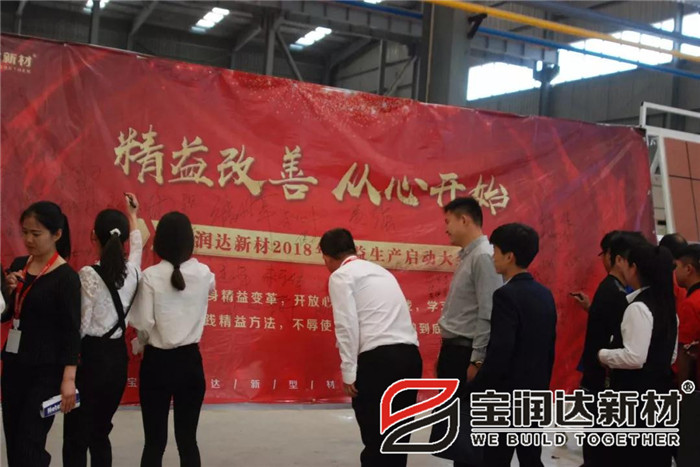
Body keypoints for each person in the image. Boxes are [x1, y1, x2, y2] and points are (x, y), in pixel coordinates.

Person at [321, 228, 422, 467]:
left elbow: (346, 325)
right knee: (397, 438)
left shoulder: (341, 275)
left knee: (376, 440)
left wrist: (349, 372)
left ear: (326, 256)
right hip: (410, 358)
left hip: (379, 362)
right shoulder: (381, 272)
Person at [129, 211, 215, 467]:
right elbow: (210, 288)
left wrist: (139, 343)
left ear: (159, 242)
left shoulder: (150, 276)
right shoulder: (204, 273)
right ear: (190, 241)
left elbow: (144, 324)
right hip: (190, 362)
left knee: (154, 442)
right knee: (188, 441)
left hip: (157, 364)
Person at [63, 193, 143, 467]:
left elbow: (81, 326)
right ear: (123, 240)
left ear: (93, 236)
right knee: (100, 432)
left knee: (76, 435)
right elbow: (137, 248)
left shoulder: (88, 274)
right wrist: (133, 216)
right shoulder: (134, 272)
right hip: (117, 361)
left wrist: (68, 370)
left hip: (90, 360)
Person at [469, 223, 557, 467]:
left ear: (510, 256)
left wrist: (476, 388)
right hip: (535, 393)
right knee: (531, 457)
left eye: (496, 250)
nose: (492, 257)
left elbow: (500, 351)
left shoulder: (505, 295)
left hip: (506, 397)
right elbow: (549, 348)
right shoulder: (545, 294)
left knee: (495, 459)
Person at [1, 201, 81, 466]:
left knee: (30, 443)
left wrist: (68, 379)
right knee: (14, 441)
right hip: (14, 366)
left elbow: (72, 332)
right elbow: (5, 314)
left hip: (46, 372)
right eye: (25, 232)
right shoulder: (19, 265)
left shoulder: (66, 277)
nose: (28, 240)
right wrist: (7, 293)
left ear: (56, 234)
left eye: (36, 234)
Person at [571, 231, 648, 466]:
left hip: (600, 379)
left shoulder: (615, 290)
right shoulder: (615, 293)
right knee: (601, 447)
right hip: (602, 381)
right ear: (619, 260)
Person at [598, 241, 678, 466]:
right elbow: (671, 355)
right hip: (659, 394)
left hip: (635, 397)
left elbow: (635, 357)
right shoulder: (668, 307)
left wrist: (603, 354)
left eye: (627, 263)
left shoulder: (638, 308)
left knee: (631, 455)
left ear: (635, 269)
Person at [439, 197, 502, 388]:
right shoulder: (470, 256)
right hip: (455, 351)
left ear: (464, 220)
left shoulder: (483, 256)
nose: (446, 229)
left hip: (466, 353)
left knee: (461, 406)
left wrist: (477, 360)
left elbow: (489, 312)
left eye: (448, 222)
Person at [674, 244, 700, 385]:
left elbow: (685, 352)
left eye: (676, 267)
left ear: (689, 269)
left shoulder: (690, 304)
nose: (674, 272)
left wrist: (682, 390)